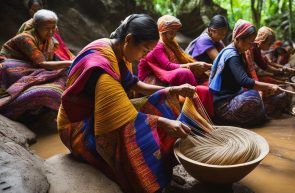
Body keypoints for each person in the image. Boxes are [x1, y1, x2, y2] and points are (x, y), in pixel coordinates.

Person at [57, 14, 199, 193]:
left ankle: (161, 170)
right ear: (129, 40)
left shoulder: (112, 48)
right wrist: (162, 123)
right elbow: (127, 120)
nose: (144, 56)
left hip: (101, 112)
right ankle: (145, 180)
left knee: (164, 101)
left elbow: (135, 84)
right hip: (78, 127)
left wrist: (172, 90)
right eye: (145, 50)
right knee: (136, 131)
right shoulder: (101, 69)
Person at [209, 19, 284, 126]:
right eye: (250, 42)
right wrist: (269, 86)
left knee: (269, 97)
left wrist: (267, 88)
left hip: (234, 95)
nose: (251, 46)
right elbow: (243, 80)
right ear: (238, 39)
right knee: (253, 96)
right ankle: (227, 120)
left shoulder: (238, 52)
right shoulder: (232, 55)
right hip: (223, 104)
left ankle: (255, 117)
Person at [0, 9, 72, 119]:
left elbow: (50, 59)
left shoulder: (51, 40)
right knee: (11, 70)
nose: (51, 32)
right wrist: (71, 62)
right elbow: (42, 63)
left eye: (53, 28)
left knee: (64, 75)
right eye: (47, 28)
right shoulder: (25, 38)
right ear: (36, 26)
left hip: (32, 66)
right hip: (10, 67)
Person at [138, 15, 211, 86]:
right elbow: (168, 66)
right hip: (150, 77)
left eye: (175, 32)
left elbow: (182, 58)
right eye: (171, 33)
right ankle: (195, 94)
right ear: (163, 32)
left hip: (164, 72)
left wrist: (196, 65)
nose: (174, 35)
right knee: (185, 72)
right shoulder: (158, 45)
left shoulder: (171, 43)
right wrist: (192, 65)